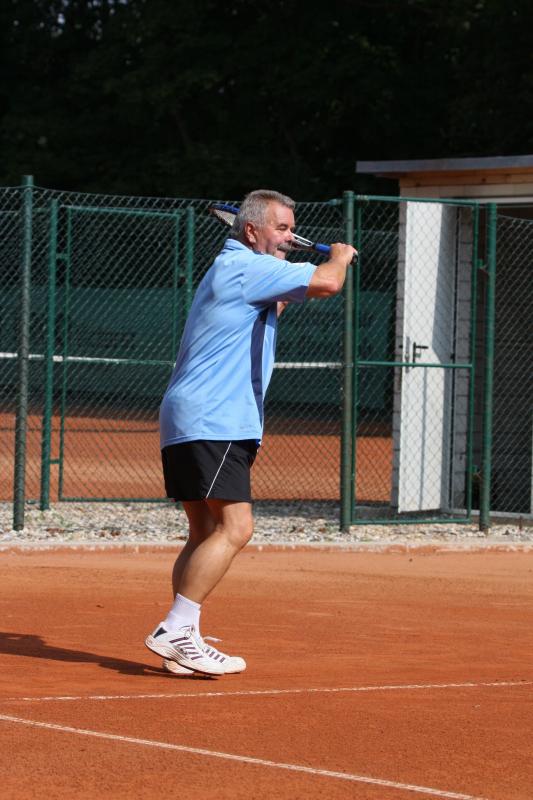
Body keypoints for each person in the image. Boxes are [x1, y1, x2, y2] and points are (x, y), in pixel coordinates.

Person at [145, 189, 356, 676]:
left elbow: (275, 306)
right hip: (217, 417)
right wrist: (341, 257)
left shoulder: (237, 270)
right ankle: (176, 628)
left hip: (189, 417)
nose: (289, 236)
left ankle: (184, 640)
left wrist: (287, 268)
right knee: (236, 528)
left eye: (291, 229)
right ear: (250, 229)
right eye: (281, 228)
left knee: (203, 532)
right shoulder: (245, 266)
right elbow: (327, 282)